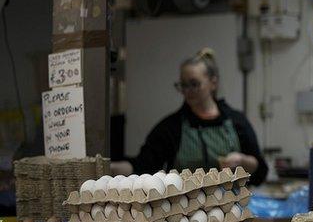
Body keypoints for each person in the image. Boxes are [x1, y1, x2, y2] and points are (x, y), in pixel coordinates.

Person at [112, 48, 269, 184]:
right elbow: (143, 166)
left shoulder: (236, 122)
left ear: (213, 83)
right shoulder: (171, 127)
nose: (188, 91)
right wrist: (112, 169)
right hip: (186, 214)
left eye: (194, 84)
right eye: (183, 85)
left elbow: (261, 171)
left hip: (232, 211)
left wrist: (243, 162)